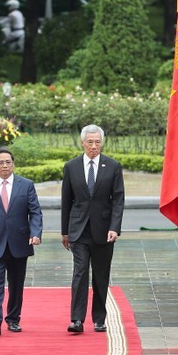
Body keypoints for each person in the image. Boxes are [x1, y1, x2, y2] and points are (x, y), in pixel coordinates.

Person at [61, 124, 125, 333]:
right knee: (79, 273)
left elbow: (118, 200)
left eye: (97, 142)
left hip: (104, 230)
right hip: (78, 230)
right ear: (82, 143)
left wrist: (115, 227)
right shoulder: (71, 167)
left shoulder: (113, 166)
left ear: (102, 143)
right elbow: (66, 201)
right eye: (90, 142)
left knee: (100, 274)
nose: (94, 146)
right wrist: (65, 231)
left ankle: (99, 318)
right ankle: (77, 319)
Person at [0, 149, 43, 336]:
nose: (5, 166)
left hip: (19, 243)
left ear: (13, 164)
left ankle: (13, 319)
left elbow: (35, 212)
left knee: (16, 285)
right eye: (1, 163)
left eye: (8, 162)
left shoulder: (26, 185)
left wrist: (35, 233)